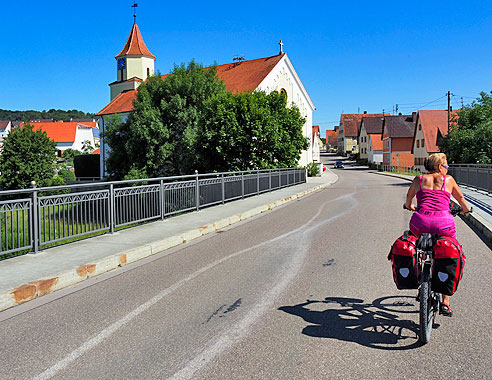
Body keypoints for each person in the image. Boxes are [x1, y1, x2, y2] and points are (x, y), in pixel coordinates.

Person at [405, 153, 471, 317]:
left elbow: (408, 198)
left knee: (416, 245)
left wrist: (410, 206)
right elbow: (461, 199)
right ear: (440, 167)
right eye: (446, 165)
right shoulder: (448, 180)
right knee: (449, 254)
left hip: (420, 222)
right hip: (443, 224)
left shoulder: (418, 179)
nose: (447, 168)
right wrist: (466, 210)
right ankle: (445, 302)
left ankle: (420, 275)